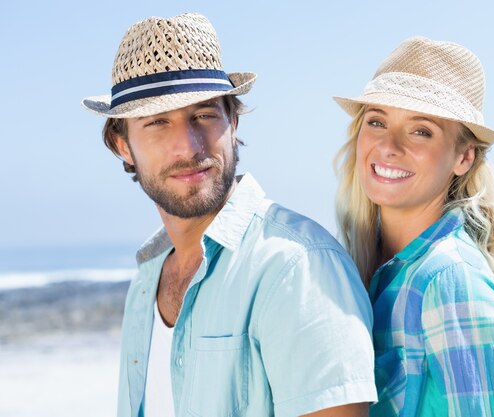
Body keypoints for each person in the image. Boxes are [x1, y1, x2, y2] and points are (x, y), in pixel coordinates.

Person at [81, 13, 377, 417]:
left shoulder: (297, 267)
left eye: (204, 115)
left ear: (233, 121)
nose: (187, 146)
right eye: (157, 123)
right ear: (123, 145)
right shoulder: (146, 279)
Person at [333, 37, 494, 416]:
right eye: (377, 121)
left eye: (421, 130)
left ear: (464, 157)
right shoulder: (370, 273)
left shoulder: (450, 281)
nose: (388, 146)